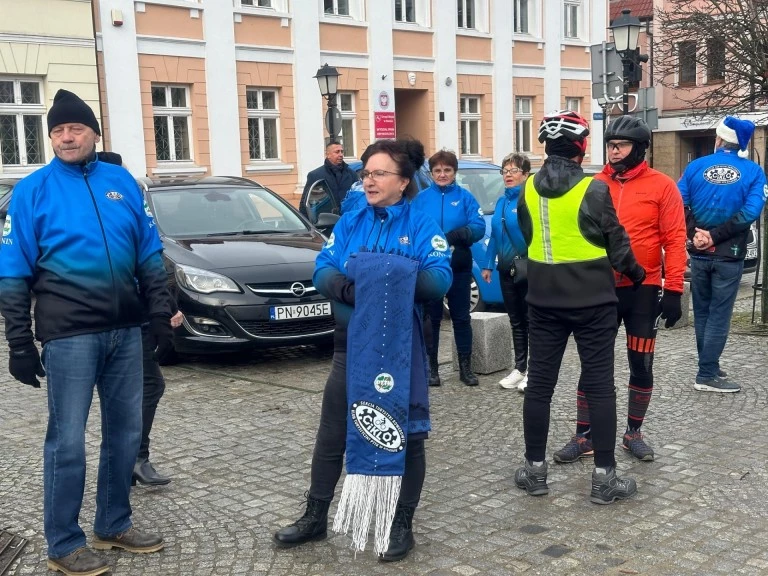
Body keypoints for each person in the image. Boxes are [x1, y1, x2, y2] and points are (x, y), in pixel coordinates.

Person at [0, 89, 173, 575]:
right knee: (67, 441)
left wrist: (160, 314)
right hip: (69, 335)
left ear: (94, 133)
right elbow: (12, 270)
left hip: (126, 330)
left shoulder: (121, 182)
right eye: (57, 130)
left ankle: (114, 523)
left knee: (125, 434)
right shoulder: (33, 190)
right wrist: (18, 341)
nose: (65, 136)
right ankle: (63, 543)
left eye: (75, 128)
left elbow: (149, 254)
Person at [273, 139, 452, 562]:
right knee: (332, 433)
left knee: (409, 437)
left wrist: (379, 279)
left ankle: (400, 523)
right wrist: (347, 287)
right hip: (349, 348)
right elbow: (323, 269)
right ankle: (316, 514)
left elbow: (439, 279)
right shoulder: (352, 221)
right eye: (365, 173)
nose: (368, 180)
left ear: (403, 181)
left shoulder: (424, 224)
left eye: (378, 173)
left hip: (400, 352)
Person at [513, 110, 646, 505]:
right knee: (599, 385)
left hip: (543, 301)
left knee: (539, 385)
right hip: (593, 302)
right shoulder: (595, 189)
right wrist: (638, 277)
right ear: (582, 147)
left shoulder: (528, 188)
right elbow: (617, 245)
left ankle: (535, 471)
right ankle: (604, 478)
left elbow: (527, 236)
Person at [552, 116, 687, 464]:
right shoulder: (593, 184)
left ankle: (633, 433)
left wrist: (673, 290)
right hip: (600, 290)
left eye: (621, 145)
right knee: (593, 366)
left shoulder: (662, 186)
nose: (613, 151)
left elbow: (674, 240)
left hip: (643, 291)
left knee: (641, 363)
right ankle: (585, 436)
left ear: (640, 149)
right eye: (610, 144)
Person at [96, 151, 183, 487]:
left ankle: (131, 459)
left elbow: (154, 263)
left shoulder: (129, 203)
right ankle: (131, 459)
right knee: (144, 387)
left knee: (142, 387)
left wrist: (166, 308)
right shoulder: (111, 209)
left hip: (141, 316)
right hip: (121, 320)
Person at [678, 116, 767, 393]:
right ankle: (706, 373)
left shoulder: (694, 167)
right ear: (742, 143)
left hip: (699, 253)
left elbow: (678, 203)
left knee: (702, 312)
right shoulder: (753, 172)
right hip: (730, 253)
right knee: (719, 314)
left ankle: (710, 366)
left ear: (718, 139)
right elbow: (751, 213)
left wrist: (696, 234)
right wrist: (715, 237)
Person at [410, 150, 486, 386]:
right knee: (431, 318)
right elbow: (412, 228)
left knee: (461, 317)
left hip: (459, 266)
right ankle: (431, 368)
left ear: (454, 172)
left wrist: (457, 235)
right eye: (437, 171)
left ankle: (465, 367)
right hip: (429, 268)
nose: (442, 174)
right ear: (431, 173)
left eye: (447, 170)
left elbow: (479, 226)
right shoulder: (421, 199)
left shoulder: (465, 198)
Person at [481, 153, 530, 392]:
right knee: (516, 320)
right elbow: (495, 238)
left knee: (532, 320)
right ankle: (520, 368)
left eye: (513, 170)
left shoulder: (528, 200)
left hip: (527, 268)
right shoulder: (501, 202)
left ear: (526, 174)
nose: (508, 175)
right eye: (505, 170)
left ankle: (534, 371)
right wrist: (488, 264)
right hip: (505, 269)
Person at [300, 140, 358, 217]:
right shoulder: (315, 175)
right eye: (337, 152)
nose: (341, 155)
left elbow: (357, 198)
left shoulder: (351, 174)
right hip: (326, 221)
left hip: (347, 219)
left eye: (342, 151)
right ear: (328, 155)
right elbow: (305, 203)